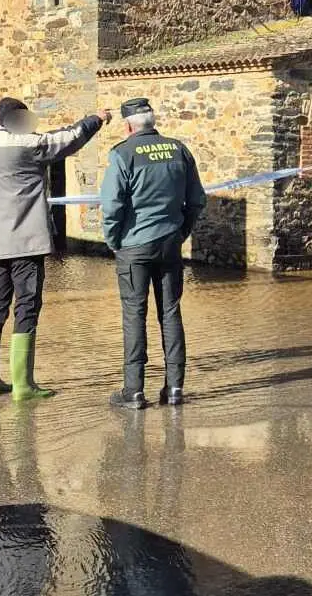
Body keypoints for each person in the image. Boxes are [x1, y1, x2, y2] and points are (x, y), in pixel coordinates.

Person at [0, 97, 110, 400]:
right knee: (27, 306)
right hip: (27, 240)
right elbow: (68, 139)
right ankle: (23, 385)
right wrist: (96, 118)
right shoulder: (28, 142)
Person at [100, 97, 206, 410]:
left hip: (134, 246)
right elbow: (197, 200)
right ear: (152, 121)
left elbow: (111, 206)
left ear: (128, 125)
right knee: (170, 312)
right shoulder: (179, 150)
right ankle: (174, 389)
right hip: (169, 243)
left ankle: (133, 391)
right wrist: (181, 231)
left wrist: (113, 240)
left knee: (134, 315)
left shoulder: (122, 154)